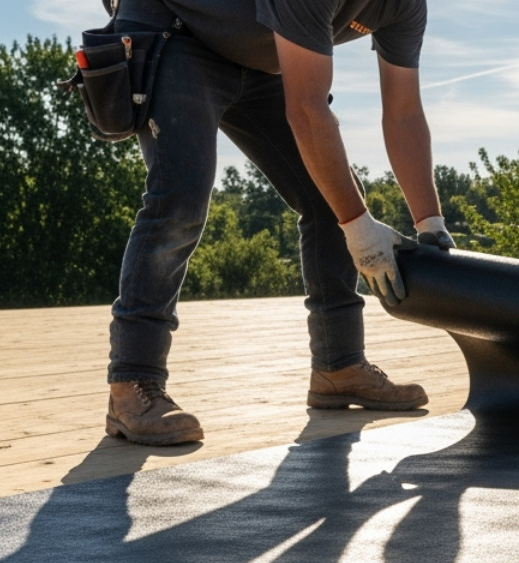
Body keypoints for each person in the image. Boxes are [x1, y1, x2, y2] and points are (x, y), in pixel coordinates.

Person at [102, 0, 453, 445]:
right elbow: (306, 109)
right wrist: (360, 230)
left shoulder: (405, 6)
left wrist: (431, 224)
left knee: (334, 195)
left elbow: (403, 113)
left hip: (261, 58)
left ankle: (338, 367)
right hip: (177, 34)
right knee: (180, 200)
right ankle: (132, 386)